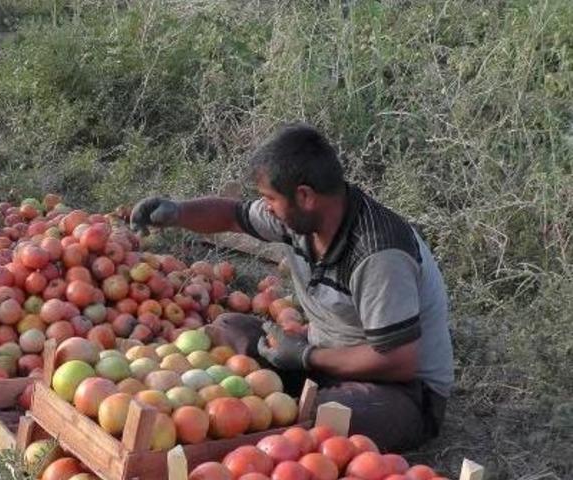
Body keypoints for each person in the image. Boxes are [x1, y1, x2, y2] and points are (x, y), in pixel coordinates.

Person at [130, 123, 453, 452]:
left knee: (324, 417)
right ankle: (285, 399)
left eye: (270, 198)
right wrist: (177, 212)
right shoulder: (297, 218)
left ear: (305, 196)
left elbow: (400, 361)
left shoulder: (378, 253)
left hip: (402, 389)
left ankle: (297, 409)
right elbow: (231, 215)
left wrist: (306, 356)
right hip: (323, 357)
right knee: (228, 329)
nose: (266, 206)